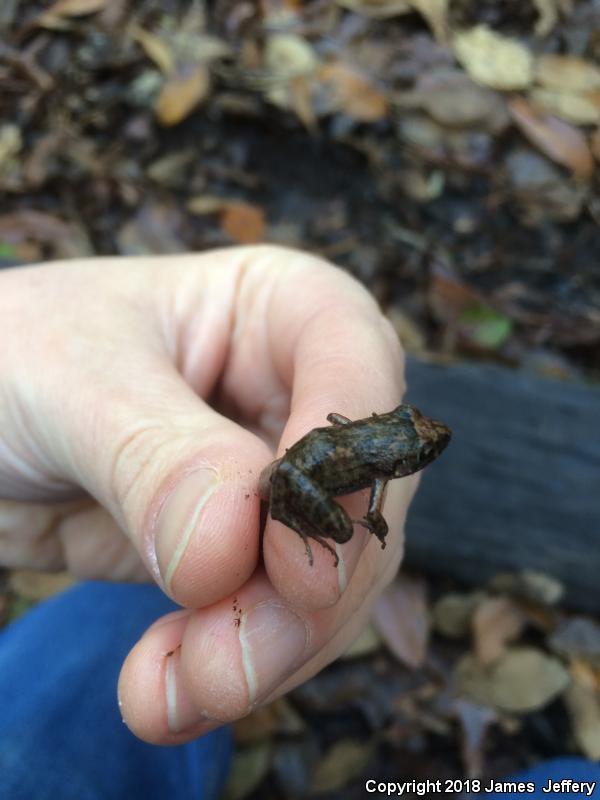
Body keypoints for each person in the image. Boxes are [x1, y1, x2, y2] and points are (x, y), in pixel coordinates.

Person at [0, 246, 412, 798]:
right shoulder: (382, 470)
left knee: (151, 626)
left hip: (295, 461)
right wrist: (369, 524)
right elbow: (375, 517)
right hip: (284, 481)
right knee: (336, 537)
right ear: (401, 455)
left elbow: (337, 419)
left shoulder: (369, 435)